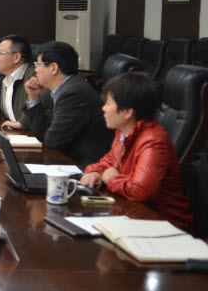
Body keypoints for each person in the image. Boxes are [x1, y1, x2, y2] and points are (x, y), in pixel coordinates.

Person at [80, 72, 193, 230]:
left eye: (109, 103)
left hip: (164, 223)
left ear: (127, 112)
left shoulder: (153, 141)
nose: (104, 108)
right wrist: (94, 171)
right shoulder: (124, 131)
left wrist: (111, 179)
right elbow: (108, 162)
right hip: (132, 213)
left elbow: (141, 191)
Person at [21, 41, 114, 165]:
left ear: (53, 68)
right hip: (67, 159)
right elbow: (42, 132)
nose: (36, 70)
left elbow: (53, 140)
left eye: (38, 64)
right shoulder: (63, 89)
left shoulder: (72, 94)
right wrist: (33, 97)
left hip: (85, 166)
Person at [0, 34, 50, 130]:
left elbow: (47, 91)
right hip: (14, 134)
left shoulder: (34, 75)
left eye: (0, 53)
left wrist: (22, 123)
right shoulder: (6, 79)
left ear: (16, 57)